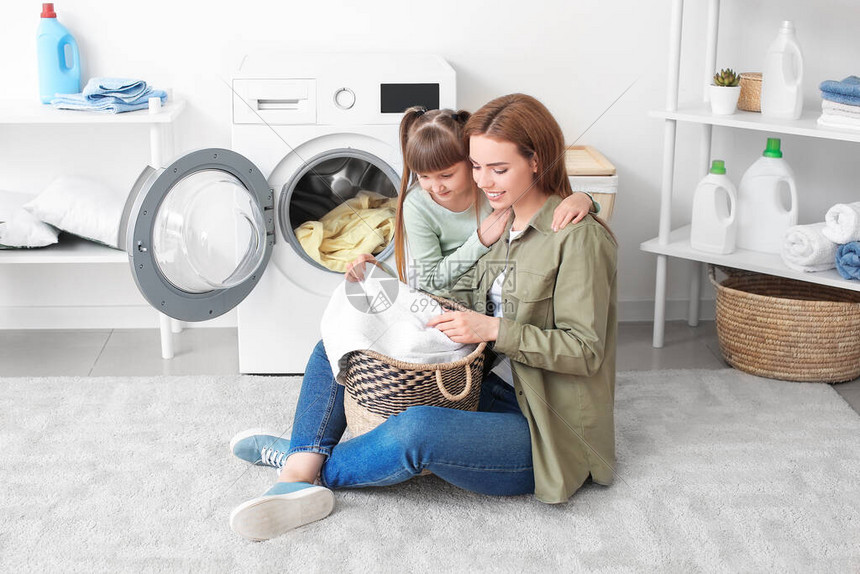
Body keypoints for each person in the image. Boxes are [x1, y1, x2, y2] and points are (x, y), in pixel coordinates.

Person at [227, 94, 617, 542]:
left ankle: (305, 468)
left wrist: (492, 329)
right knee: (345, 341)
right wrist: (385, 284)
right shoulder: (504, 221)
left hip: (546, 429)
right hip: (488, 383)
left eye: (499, 169)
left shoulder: (577, 238)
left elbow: (586, 351)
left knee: (419, 431)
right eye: (476, 166)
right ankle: (301, 466)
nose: (484, 181)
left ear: (538, 161)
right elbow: (442, 291)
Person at [344, 106, 598, 292]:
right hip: (442, 298)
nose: (436, 186)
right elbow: (430, 281)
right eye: (424, 176)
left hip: (484, 295)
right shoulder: (418, 204)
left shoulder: (492, 188)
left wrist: (583, 198)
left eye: (446, 174)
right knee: (332, 342)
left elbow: (545, 203)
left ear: (470, 161)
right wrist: (480, 238)